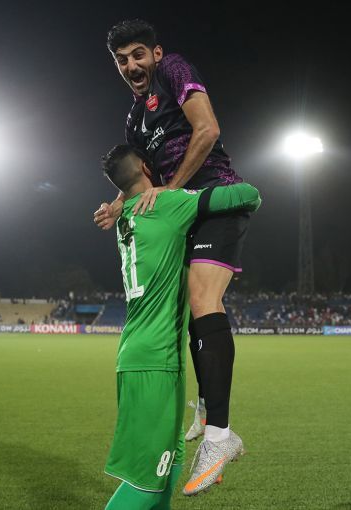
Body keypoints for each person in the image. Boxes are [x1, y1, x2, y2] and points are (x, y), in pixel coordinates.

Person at [94, 19, 252, 491]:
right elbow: (139, 174)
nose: (131, 65)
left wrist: (172, 189)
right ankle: (206, 408)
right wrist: (117, 204)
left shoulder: (175, 70)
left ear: (156, 54)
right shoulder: (134, 118)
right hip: (184, 211)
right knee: (185, 310)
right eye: (122, 60)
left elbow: (207, 129)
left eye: (138, 55)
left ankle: (220, 436)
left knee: (203, 299)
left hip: (214, 196)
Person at [100, 144, 260, 507]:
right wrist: (175, 187)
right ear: (147, 167)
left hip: (148, 355)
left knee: (170, 463)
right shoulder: (166, 205)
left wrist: (119, 201)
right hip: (154, 361)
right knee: (146, 483)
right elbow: (249, 195)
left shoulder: (125, 218)